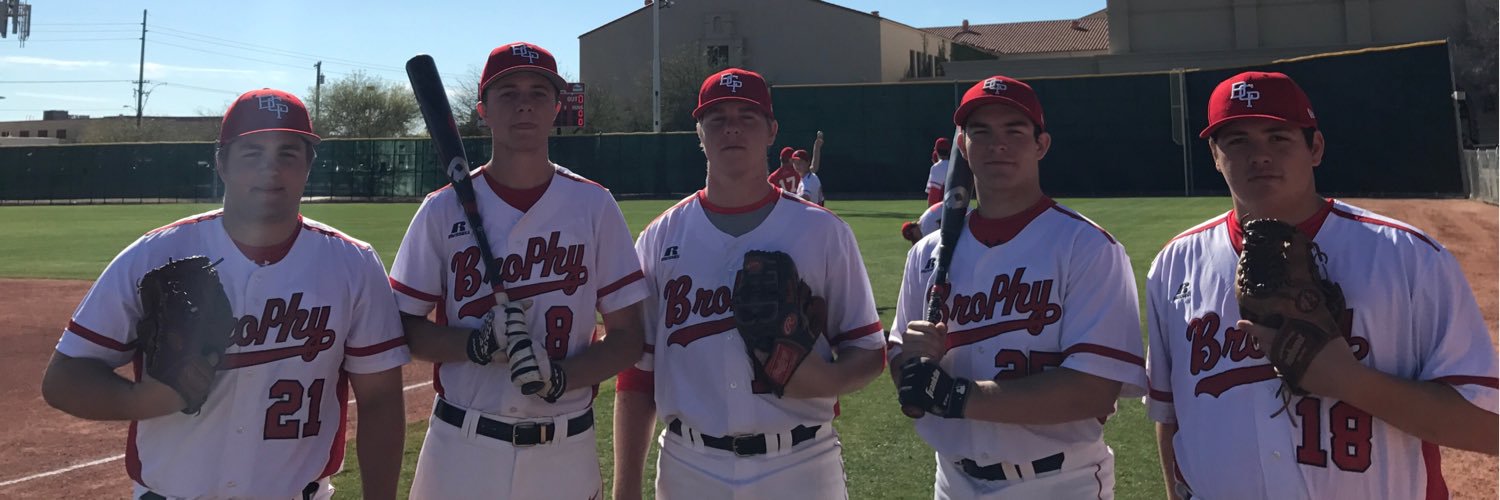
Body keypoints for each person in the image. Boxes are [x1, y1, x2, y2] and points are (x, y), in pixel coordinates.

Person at [1144, 71, 1499, 500]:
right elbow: (1172, 418)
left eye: (1279, 138)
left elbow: (1487, 427)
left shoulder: (1408, 257)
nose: (1260, 155)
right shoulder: (1174, 265)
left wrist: (1349, 381)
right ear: (1214, 155)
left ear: (1315, 148)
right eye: (1238, 140)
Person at [39, 89, 409, 500]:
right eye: (252, 152)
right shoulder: (155, 256)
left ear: (308, 166)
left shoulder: (352, 263)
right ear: (221, 163)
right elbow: (63, 380)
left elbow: (380, 401)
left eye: (288, 153)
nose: (271, 168)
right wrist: (140, 399)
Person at [388, 42, 648, 500]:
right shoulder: (441, 209)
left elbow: (628, 337)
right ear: (483, 110)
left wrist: (563, 376)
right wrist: (475, 344)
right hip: (460, 448)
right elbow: (402, 327)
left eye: (538, 92)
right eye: (507, 92)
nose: (524, 102)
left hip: (564, 448)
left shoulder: (593, 205)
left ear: (556, 109)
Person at [612, 67, 886, 500]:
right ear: (699, 131)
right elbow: (636, 377)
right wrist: (625, 488)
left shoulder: (823, 232)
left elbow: (869, 352)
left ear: (772, 130)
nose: (732, 127)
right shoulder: (660, 237)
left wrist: (824, 381)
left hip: (801, 462)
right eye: (717, 118)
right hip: (690, 464)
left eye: (747, 116)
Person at [887, 75, 1147, 499]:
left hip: (1059, 481)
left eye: (1014, 130)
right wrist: (911, 364)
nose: (997, 144)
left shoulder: (1086, 247)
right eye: (981, 132)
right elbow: (907, 373)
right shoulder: (927, 254)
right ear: (964, 146)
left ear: (1041, 144)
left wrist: (956, 396)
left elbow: (1094, 390)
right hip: (953, 481)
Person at [792, 132, 825, 205]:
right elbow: (814, 166)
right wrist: (817, 147)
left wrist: (790, 199)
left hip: (813, 214)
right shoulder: (809, 176)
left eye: (800, 162)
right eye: (794, 162)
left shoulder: (808, 180)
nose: (797, 165)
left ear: (807, 163)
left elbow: (806, 197)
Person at [926, 137, 951, 206]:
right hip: (958, 209)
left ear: (936, 151)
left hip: (942, 209)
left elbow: (933, 196)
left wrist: (930, 214)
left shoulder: (937, 167)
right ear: (949, 151)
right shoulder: (955, 166)